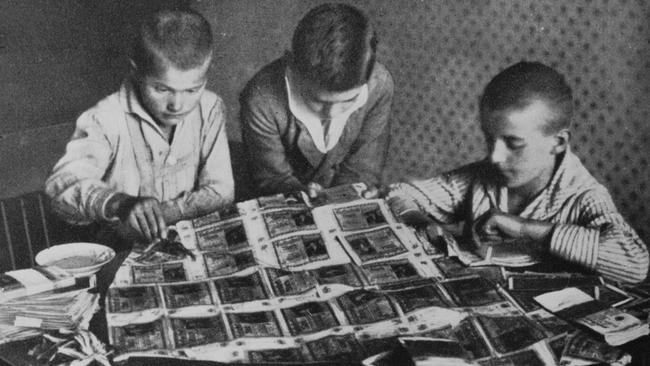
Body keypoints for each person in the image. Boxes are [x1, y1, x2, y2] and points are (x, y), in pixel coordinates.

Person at [389, 61, 649, 283]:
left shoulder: (584, 195)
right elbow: (399, 193)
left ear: (558, 143)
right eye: (490, 140)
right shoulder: (481, 178)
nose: (495, 156)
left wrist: (525, 228)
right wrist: (423, 224)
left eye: (514, 144)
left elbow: (635, 265)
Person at [45, 8, 234, 244]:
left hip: (186, 245)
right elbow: (60, 190)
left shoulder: (210, 106)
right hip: (118, 251)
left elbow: (221, 191)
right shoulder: (105, 118)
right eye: (162, 89)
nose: (177, 105)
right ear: (136, 72)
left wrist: (162, 214)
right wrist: (119, 203)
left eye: (192, 90)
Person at [240, 3, 394, 199]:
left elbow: (363, 169)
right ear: (292, 67)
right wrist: (300, 193)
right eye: (317, 101)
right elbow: (271, 179)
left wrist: (347, 196)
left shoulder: (379, 85)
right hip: (286, 198)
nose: (332, 114)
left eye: (349, 101)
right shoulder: (260, 99)